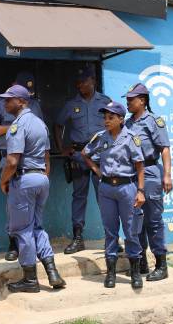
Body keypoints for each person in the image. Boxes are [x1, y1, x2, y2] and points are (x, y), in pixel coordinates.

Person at [0, 84, 65, 293]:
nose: (5, 102)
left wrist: (3, 181)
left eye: (9, 99)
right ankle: (52, 271)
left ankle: (30, 280)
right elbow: (47, 157)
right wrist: (42, 176)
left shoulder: (18, 125)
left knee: (22, 230)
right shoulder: (40, 123)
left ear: (22, 102)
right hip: (41, 179)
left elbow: (11, 162)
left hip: (24, 180)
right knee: (37, 226)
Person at [81, 101, 146, 289]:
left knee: (130, 231)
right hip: (106, 189)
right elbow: (85, 153)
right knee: (110, 231)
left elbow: (140, 166)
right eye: (104, 118)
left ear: (120, 119)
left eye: (110, 118)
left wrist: (140, 191)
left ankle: (135, 272)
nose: (106, 121)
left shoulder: (131, 138)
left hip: (127, 188)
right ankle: (111, 273)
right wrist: (97, 170)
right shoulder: (100, 138)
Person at [54, 65, 113, 254]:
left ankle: (110, 239)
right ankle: (78, 238)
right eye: (78, 83)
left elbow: (115, 124)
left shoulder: (105, 102)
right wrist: (61, 148)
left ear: (93, 81)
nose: (80, 86)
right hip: (79, 157)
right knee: (79, 197)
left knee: (104, 196)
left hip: (99, 158)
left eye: (84, 82)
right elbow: (58, 125)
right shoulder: (72, 104)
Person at [0, 71, 43, 261]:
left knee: (32, 211)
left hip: (31, 163)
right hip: (10, 160)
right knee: (12, 207)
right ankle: (13, 243)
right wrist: (12, 128)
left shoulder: (35, 106)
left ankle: (33, 250)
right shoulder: (2, 103)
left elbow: (43, 132)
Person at [125, 83, 172, 281]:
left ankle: (161, 264)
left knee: (153, 221)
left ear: (142, 100)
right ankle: (142, 261)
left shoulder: (153, 121)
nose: (127, 103)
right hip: (132, 174)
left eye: (131, 100)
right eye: (126, 100)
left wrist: (167, 175)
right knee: (136, 220)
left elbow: (165, 149)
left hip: (150, 172)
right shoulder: (126, 124)